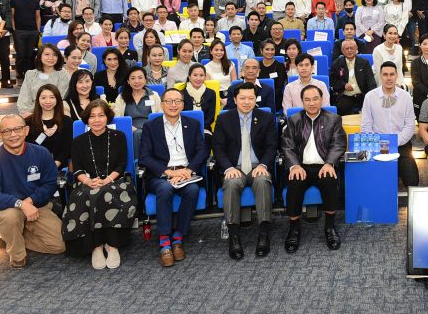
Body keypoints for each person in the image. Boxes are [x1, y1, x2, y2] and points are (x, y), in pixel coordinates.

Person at [0, 114, 65, 268]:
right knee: (11, 217)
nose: (13, 134)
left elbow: (49, 184)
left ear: (26, 130)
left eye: (18, 129)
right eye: (7, 131)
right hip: (5, 209)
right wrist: (21, 204)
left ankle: (15, 235)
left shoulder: (42, 153)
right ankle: (17, 254)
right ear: (0, 135)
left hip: (36, 206)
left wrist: (30, 202)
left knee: (59, 245)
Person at [139, 88, 209, 266]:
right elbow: (144, 157)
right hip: (162, 174)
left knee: (192, 190)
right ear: (162, 104)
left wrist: (189, 170)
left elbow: (203, 150)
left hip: (186, 173)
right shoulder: (150, 126)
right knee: (165, 188)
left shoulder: (192, 124)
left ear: (183, 104)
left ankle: (178, 236)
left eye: (177, 101)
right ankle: (164, 240)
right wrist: (168, 172)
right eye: (169, 101)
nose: (173, 105)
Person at [63, 100, 137, 268]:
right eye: (92, 116)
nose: (96, 120)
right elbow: (77, 169)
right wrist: (89, 181)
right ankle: (95, 247)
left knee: (106, 194)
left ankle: (112, 246)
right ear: (86, 119)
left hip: (115, 181)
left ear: (107, 118)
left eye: (101, 115)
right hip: (86, 183)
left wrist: (107, 180)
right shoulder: (78, 141)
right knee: (88, 196)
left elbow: (121, 165)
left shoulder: (118, 136)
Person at [213, 81, 277, 259]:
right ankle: (234, 236)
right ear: (235, 99)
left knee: (262, 181)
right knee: (232, 183)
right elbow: (218, 148)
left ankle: (264, 234)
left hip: (258, 165)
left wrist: (263, 165)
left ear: (256, 99)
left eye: (251, 98)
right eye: (242, 98)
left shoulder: (266, 117)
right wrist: (228, 167)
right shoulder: (224, 119)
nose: (247, 102)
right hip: (235, 167)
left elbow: (272, 146)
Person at [282, 85, 346, 252]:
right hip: (301, 166)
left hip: (324, 165)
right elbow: (287, 145)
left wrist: (329, 163)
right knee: (294, 184)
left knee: (330, 181)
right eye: (307, 100)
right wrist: (295, 165)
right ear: (302, 102)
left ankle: (330, 227)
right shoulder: (294, 119)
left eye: (315, 99)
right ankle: (294, 229)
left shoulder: (333, 119)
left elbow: (339, 144)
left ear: (322, 99)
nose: (311, 103)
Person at [361, 61, 419, 187]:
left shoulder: (405, 97)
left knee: (413, 182)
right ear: (380, 76)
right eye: (385, 74)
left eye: (392, 74)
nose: (389, 78)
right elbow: (366, 126)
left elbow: (410, 125)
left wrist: (395, 142)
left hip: (401, 144)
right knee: (378, 182)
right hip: (377, 145)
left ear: (396, 75)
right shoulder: (370, 97)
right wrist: (379, 143)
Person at [25, 84, 72, 169]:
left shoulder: (66, 121)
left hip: (60, 168)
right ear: (38, 100)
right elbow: (29, 148)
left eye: (52, 97)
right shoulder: (29, 122)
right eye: (43, 98)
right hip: (35, 167)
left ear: (57, 99)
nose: (48, 101)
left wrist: (54, 166)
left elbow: (67, 148)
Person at [113, 65, 162, 148]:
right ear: (128, 81)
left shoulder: (154, 95)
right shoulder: (121, 97)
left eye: (140, 78)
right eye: (133, 78)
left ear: (145, 80)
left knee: (140, 134)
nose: (137, 81)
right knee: (137, 134)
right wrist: (129, 127)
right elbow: (117, 117)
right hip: (129, 129)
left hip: (150, 129)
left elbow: (159, 115)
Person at [17, 44, 70, 117]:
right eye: (47, 54)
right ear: (40, 56)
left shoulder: (63, 74)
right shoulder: (30, 74)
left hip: (54, 114)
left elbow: (59, 98)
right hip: (30, 114)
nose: (51, 58)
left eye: (55, 55)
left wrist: (37, 114)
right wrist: (29, 114)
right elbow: (23, 100)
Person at [331, 38, 375, 115]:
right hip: (346, 96)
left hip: (362, 95)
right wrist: (344, 85)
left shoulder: (364, 63)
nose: (350, 50)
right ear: (342, 51)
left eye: (352, 48)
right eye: (347, 48)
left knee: (373, 107)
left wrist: (371, 96)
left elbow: (371, 81)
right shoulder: (337, 63)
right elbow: (333, 81)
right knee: (341, 108)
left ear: (356, 49)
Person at [10, 0, 41, 81]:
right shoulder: (14, 0)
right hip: (19, 31)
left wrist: (37, 30)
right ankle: (20, 74)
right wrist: (14, 30)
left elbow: (38, 17)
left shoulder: (35, 1)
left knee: (30, 54)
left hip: (33, 31)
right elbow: (12, 16)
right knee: (21, 54)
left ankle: (29, 74)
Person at [181, 63, 218, 135]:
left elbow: (211, 117)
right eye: (195, 75)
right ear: (189, 77)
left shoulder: (211, 93)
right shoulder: (181, 94)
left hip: (204, 128)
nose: (198, 78)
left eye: (201, 75)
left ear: (205, 77)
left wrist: (199, 127)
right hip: (185, 128)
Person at [259, 40, 288, 107]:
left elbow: (279, 87)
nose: (270, 52)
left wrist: (267, 97)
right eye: (267, 49)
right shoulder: (256, 66)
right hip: (258, 97)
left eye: (272, 49)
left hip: (275, 98)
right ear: (261, 51)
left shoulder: (280, 66)